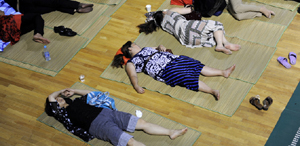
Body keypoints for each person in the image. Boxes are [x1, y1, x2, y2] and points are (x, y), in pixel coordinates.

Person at [46, 88, 188, 146]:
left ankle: (170, 132)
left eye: (59, 98)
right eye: (57, 101)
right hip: (96, 125)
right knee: (130, 141)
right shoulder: (62, 114)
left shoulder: (76, 102)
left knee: (142, 122)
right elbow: (50, 97)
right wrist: (58, 92)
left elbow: (93, 93)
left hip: (106, 113)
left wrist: (73, 90)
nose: (58, 99)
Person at [112, 41, 237, 100]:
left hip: (173, 58)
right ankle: (212, 91)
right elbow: (133, 75)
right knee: (187, 78)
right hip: (165, 70)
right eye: (134, 44)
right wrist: (136, 86)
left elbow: (159, 46)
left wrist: (161, 46)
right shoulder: (131, 62)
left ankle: (222, 72)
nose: (137, 44)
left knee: (195, 65)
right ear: (130, 48)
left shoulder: (146, 48)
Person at [138, 8, 241, 54]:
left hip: (185, 38)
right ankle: (222, 44)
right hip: (187, 26)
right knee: (216, 25)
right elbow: (188, 10)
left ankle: (223, 44)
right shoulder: (169, 11)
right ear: (163, 12)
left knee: (211, 34)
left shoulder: (162, 25)